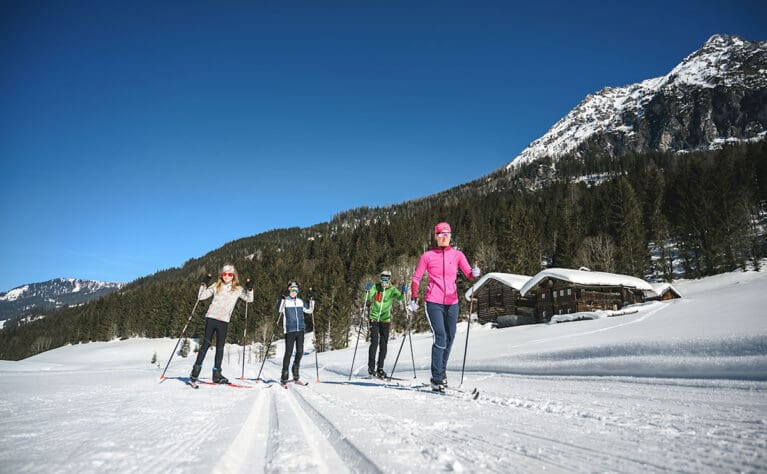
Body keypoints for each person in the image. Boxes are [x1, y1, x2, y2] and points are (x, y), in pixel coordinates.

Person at [410, 222, 480, 392]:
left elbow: (469, 274)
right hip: (433, 302)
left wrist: (475, 273)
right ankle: (436, 377)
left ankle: (442, 371)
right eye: (440, 234)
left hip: (452, 302)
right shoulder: (427, 256)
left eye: (447, 234)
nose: (444, 237)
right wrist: (413, 298)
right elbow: (416, 278)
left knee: (450, 337)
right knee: (440, 336)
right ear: (435, 236)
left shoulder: (457, 255)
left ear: (450, 236)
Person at [190, 264, 254, 385]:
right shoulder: (216, 285)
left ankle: (217, 374)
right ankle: (195, 373)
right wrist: (203, 284)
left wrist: (250, 289)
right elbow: (201, 296)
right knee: (206, 345)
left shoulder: (238, 289)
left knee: (220, 348)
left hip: (224, 321)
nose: (227, 276)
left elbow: (249, 299)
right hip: (211, 318)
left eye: (229, 274)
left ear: (233, 276)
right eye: (224, 274)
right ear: (222, 275)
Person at [365, 270, 405, 378]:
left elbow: (400, 298)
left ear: (389, 279)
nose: (384, 280)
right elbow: (368, 298)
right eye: (383, 278)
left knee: (383, 344)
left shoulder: (392, 289)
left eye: (386, 278)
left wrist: (403, 292)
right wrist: (368, 291)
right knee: (374, 343)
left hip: (385, 320)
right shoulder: (376, 287)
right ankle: (371, 368)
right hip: (374, 318)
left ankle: (380, 369)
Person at [277, 281, 315, 386]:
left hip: (300, 330)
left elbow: (310, 310)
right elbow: (279, 310)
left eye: (296, 290)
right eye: (292, 290)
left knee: (300, 352)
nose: (294, 292)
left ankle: (296, 374)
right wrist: (282, 298)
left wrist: (311, 299)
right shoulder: (285, 301)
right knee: (288, 353)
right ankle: (284, 378)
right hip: (289, 330)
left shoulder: (300, 301)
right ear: (288, 290)